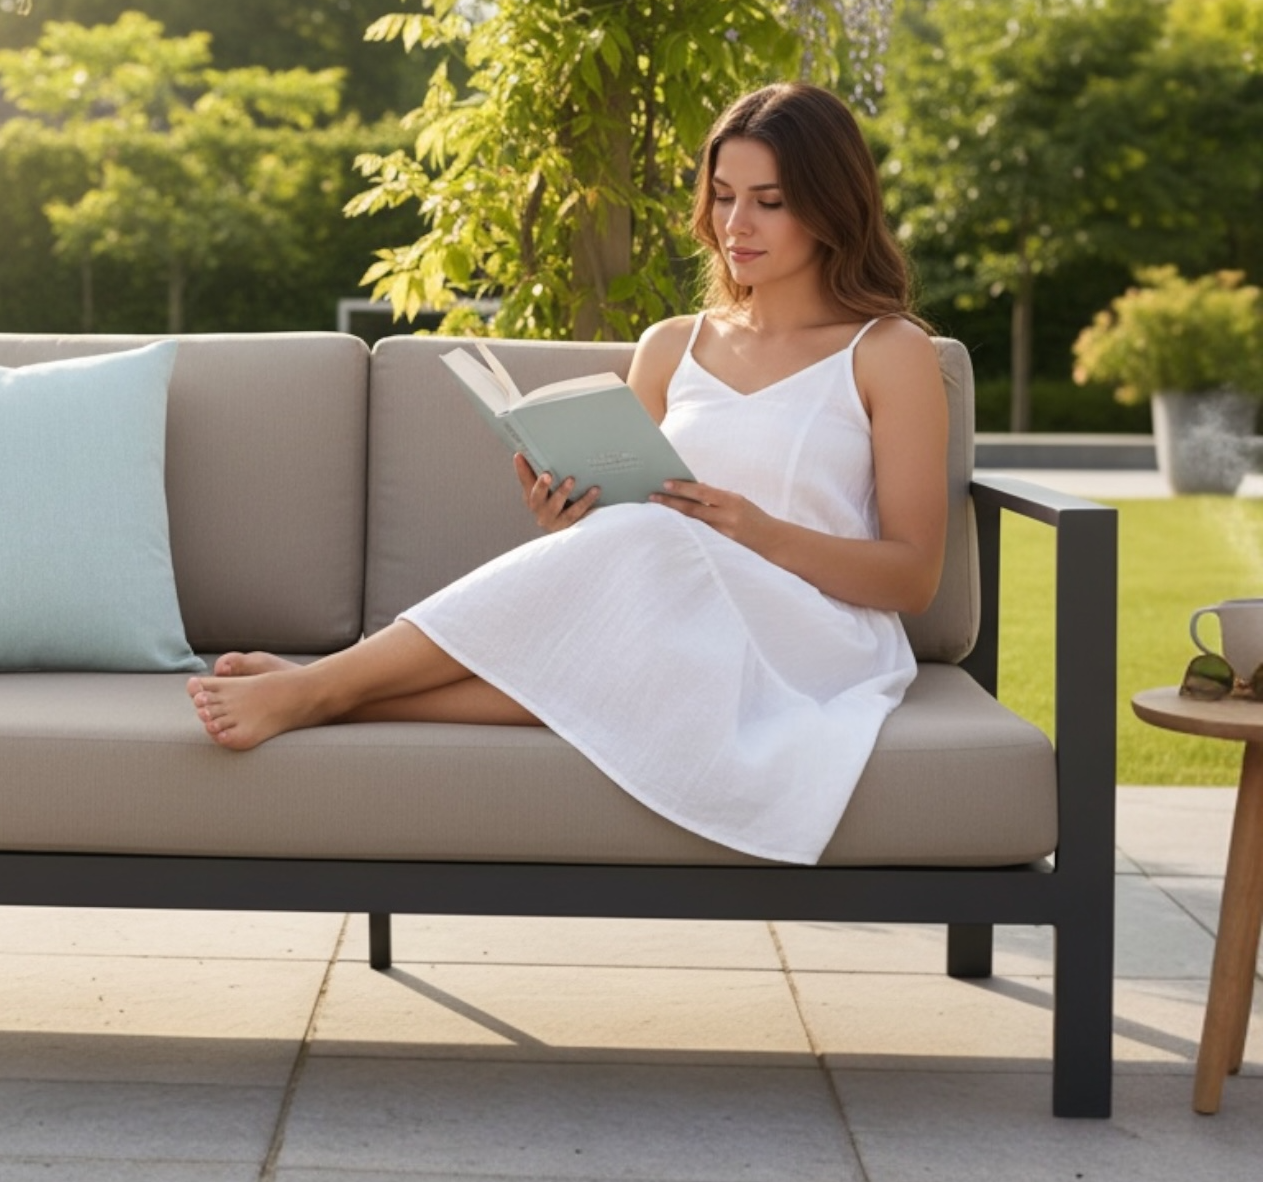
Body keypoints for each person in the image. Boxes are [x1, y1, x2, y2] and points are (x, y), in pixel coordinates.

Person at [186, 80, 949, 865]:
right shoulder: (672, 345)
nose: (735, 225)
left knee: (646, 543)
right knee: (632, 552)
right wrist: (575, 520)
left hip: (813, 636)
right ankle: (330, 696)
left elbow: (914, 578)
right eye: (721, 197)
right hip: (674, 616)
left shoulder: (888, 352)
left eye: (770, 201)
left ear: (830, 205)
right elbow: (635, 507)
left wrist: (758, 531)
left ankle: (330, 685)